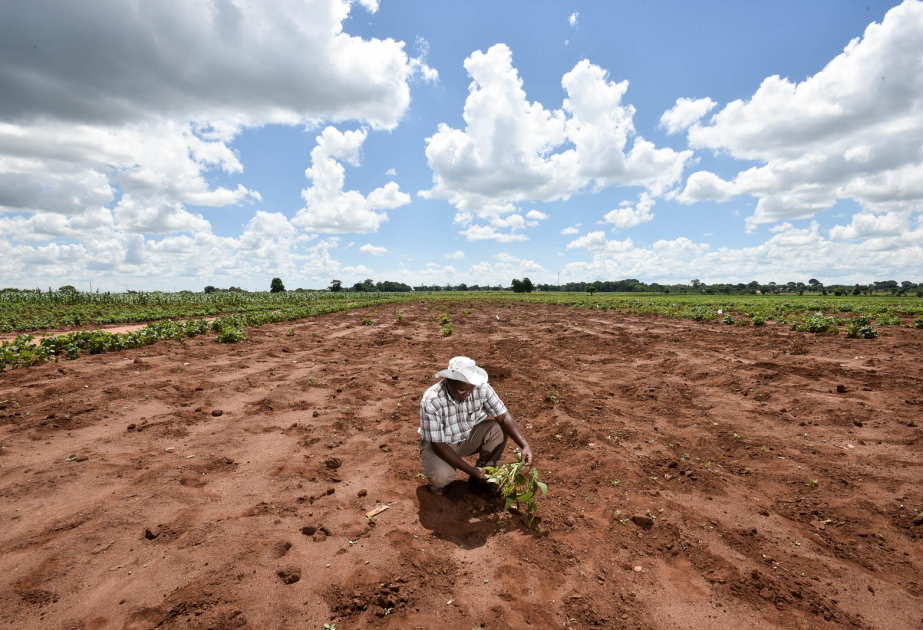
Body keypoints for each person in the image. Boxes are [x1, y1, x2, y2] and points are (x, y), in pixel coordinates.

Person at [419, 356, 534, 495]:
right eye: (462, 390)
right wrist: (471, 470)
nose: (467, 394)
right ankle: (439, 482)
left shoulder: (480, 388)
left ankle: (483, 477)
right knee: (441, 478)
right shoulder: (432, 400)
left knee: (497, 429)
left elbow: (503, 416)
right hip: (441, 444)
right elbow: (438, 444)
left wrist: (525, 445)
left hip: (466, 437)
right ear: (449, 381)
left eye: (470, 389)